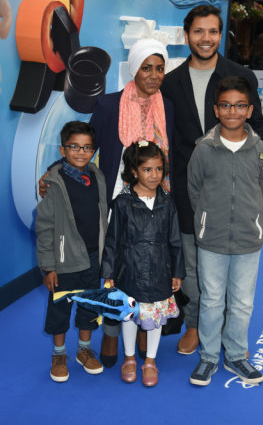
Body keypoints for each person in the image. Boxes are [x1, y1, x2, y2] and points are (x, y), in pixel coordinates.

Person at [39, 39, 175, 368]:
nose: (153, 75)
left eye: (159, 68)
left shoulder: (167, 106)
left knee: (148, 264)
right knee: (117, 270)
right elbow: (84, 149)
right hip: (115, 203)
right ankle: (112, 335)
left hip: (153, 201)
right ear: (134, 69)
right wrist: (51, 173)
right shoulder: (108, 104)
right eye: (146, 68)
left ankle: (143, 332)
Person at [160, 4, 263, 356]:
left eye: (213, 31)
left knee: (234, 263)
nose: (206, 38)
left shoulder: (239, 74)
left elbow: (256, 122)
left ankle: (225, 324)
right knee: (194, 264)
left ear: (220, 34)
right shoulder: (169, 83)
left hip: (235, 186)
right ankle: (195, 324)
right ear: (187, 36)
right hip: (186, 186)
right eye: (199, 31)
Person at [187, 77, 263, 386]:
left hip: (249, 240)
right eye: (225, 105)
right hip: (211, 240)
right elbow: (195, 191)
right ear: (216, 109)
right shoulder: (204, 150)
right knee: (211, 300)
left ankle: (236, 356)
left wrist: (251, 220)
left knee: (241, 302)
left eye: (239, 105)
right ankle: (209, 357)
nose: (232, 111)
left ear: (250, 110)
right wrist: (208, 220)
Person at [102, 141, 186, 386]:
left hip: (160, 271)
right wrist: (109, 274)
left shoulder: (168, 202)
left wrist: (177, 272)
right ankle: (129, 358)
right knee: (129, 317)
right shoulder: (122, 203)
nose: (154, 175)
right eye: (147, 169)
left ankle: (150, 360)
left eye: (159, 169)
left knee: (154, 319)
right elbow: (112, 241)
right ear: (134, 171)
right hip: (129, 272)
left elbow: (175, 241)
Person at [35, 121, 108, 382]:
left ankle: (84, 351)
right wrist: (48, 267)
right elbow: (44, 228)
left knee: (89, 305)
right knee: (60, 308)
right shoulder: (53, 182)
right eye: (74, 146)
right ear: (62, 149)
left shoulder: (96, 175)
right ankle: (59, 354)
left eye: (87, 147)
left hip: (91, 257)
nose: (81, 152)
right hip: (64, 261)